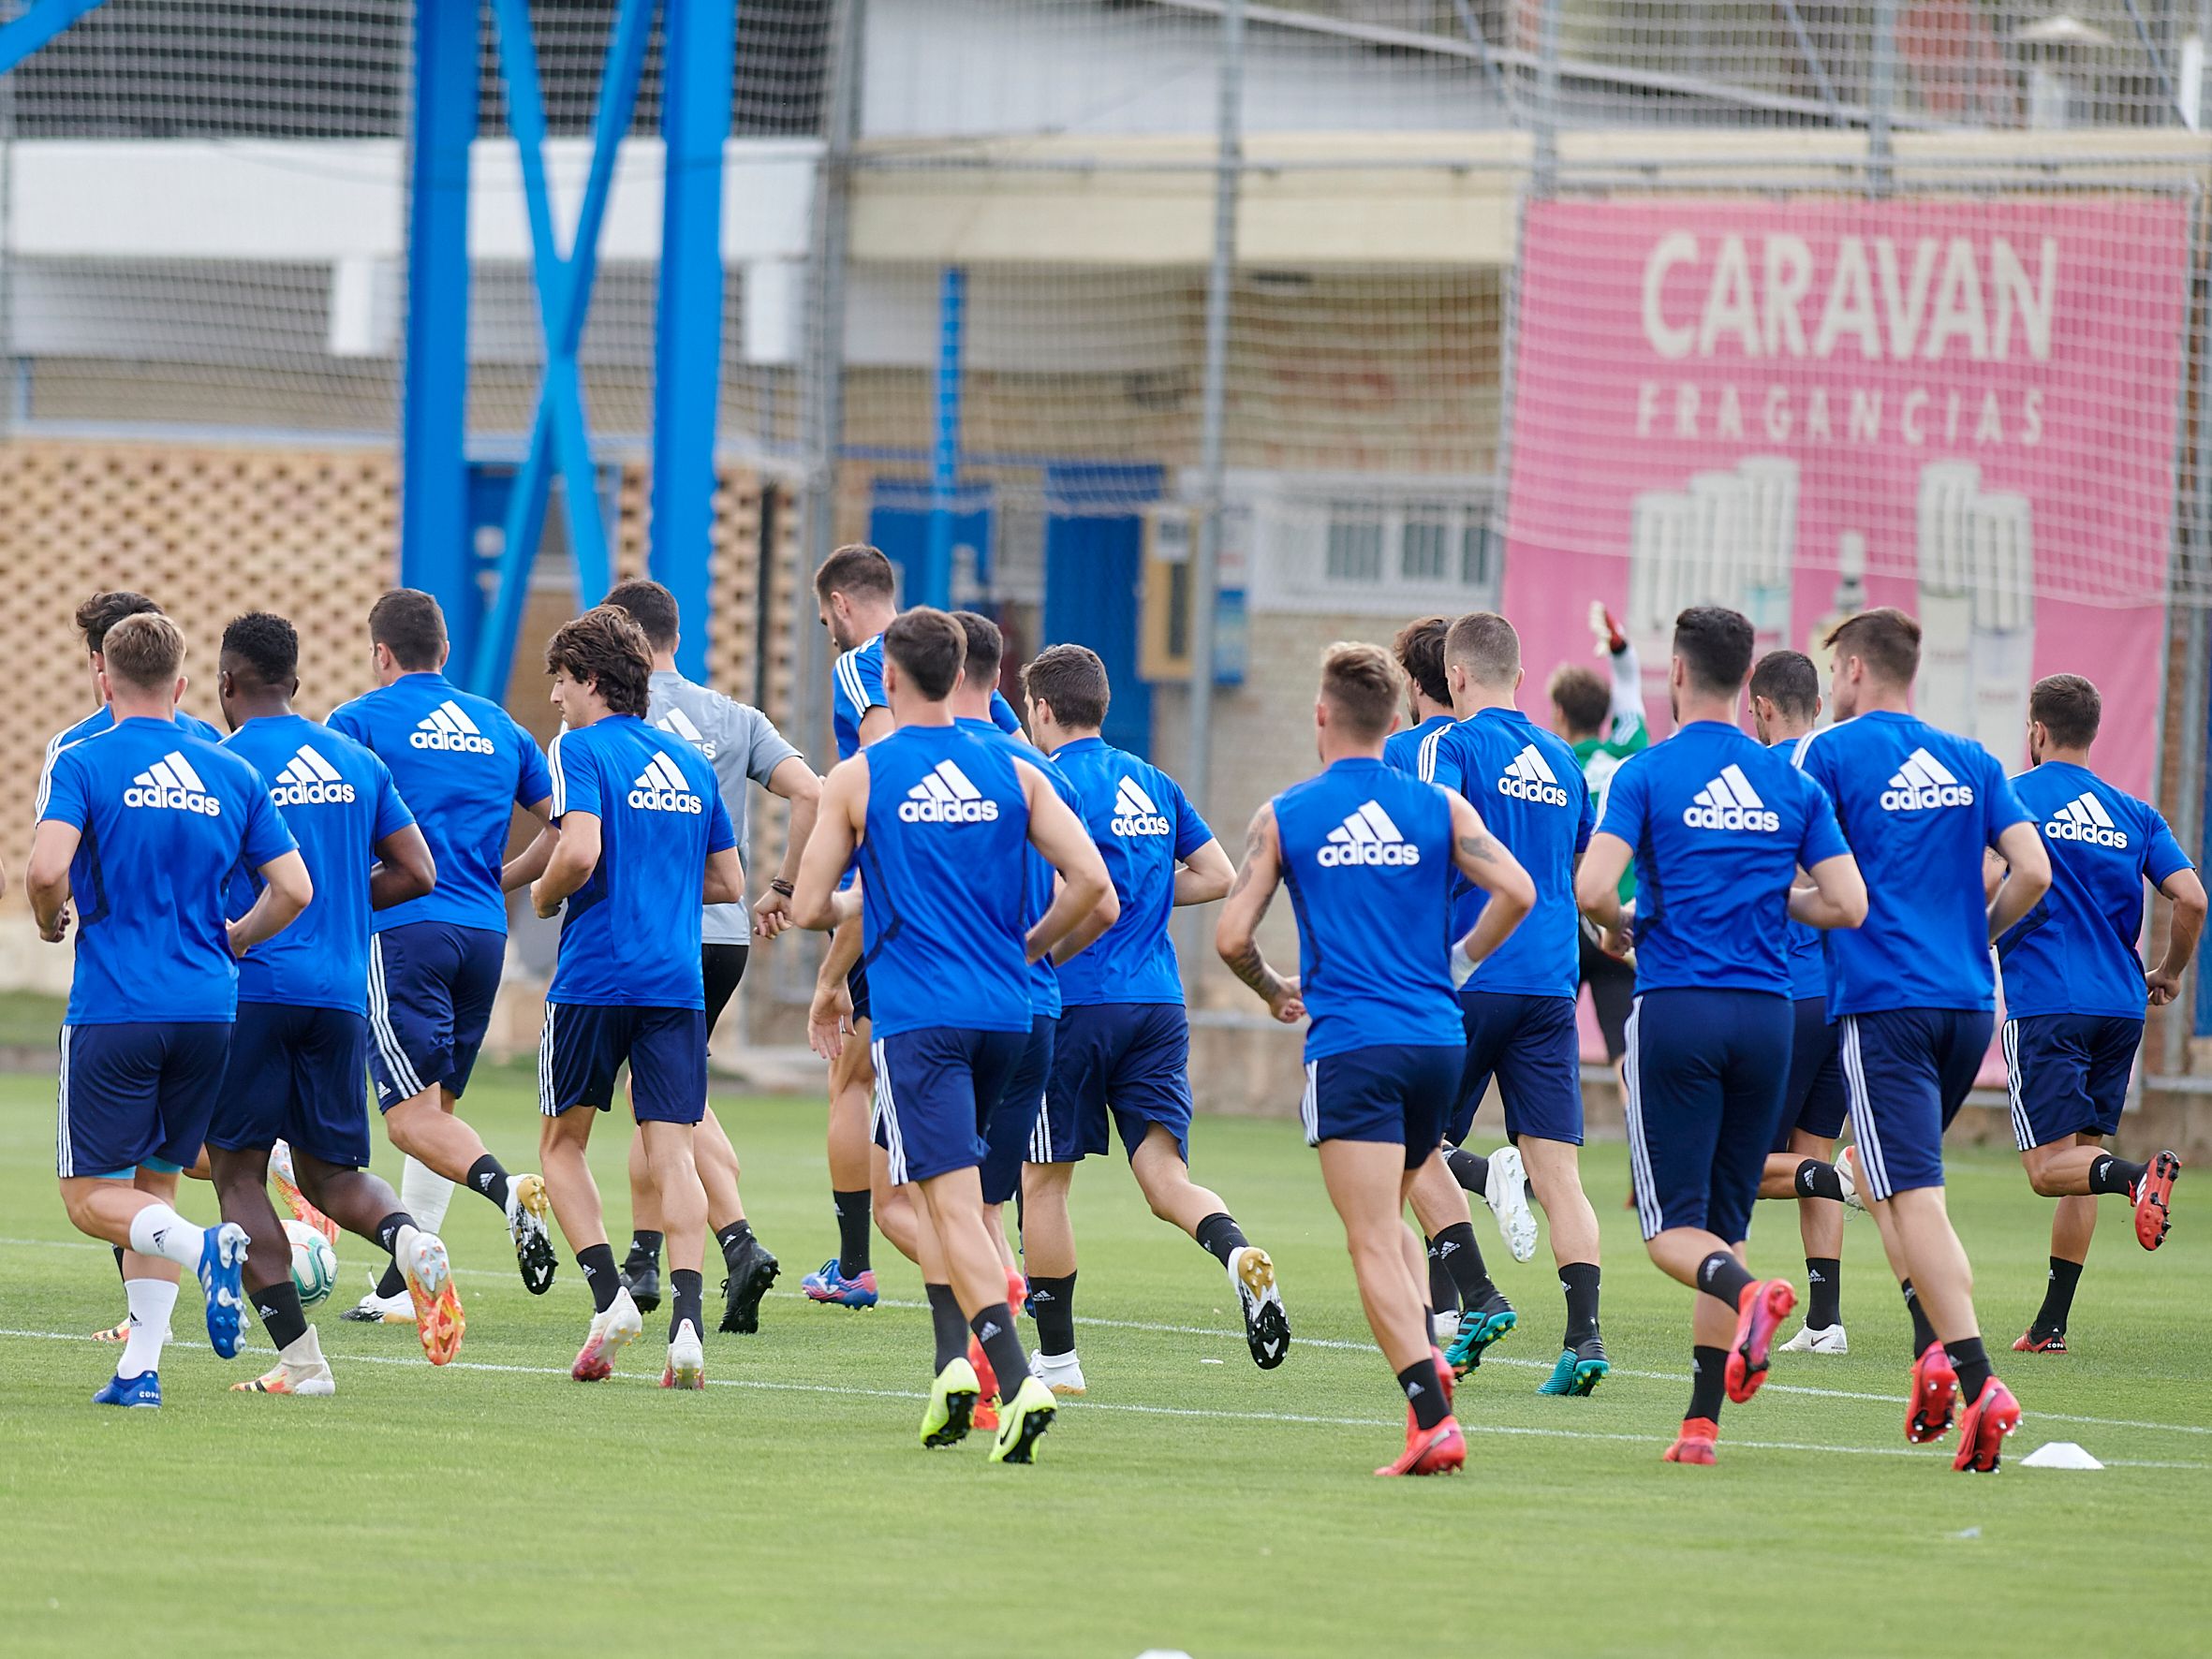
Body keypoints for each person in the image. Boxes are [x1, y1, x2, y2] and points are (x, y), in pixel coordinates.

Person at [790, 607, 1114, 1461]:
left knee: (947, 1203)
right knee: (956, 1200)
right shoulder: (1018, 766)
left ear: (891, 679)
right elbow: (1089, 881)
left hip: (921, 1021)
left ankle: (1016, 1381)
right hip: (1012, 1016)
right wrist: (1030, 947)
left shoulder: (861, 776)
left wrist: (872, 902)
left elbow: (813, 904)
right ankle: (950, 1370)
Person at [1217, 640, 1535, 1475]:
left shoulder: (1286, 813)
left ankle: (1431, 1413)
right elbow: (1522, 892)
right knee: (1392, 1216)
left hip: (1354, 1045)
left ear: (1321, 717)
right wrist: (1458, 964)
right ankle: (1431, 1385)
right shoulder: (1438, 808)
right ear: (1395, 722)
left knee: (1367, 1236)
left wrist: (1274, 988)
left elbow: (1229, 935)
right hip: (1437, 1041)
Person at [1575, 607, 1867, 1464]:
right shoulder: (1792, 784)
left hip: (1679, 1009)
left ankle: (1748, 1300)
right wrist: (1777, 900)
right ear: (1748, 682)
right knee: (1724, 1227)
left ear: (1674, 672)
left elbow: (1593, 887)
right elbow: (1848, 905)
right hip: (1768, 1018)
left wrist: (1625, 921)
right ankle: (1700, 1426)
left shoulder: (1649, 771)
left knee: (1672, 1231)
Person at [26, 612, 313, 1406]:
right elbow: (294, 888)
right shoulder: (228, 769)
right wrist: (237, 939)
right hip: (210, 1009)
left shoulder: (86, 761)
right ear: (183, 684)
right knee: (156, 1185)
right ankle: (139, 1371)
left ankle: (203, 1250)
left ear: (104, 679)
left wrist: (49, 918)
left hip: (118, 1005)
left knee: (90, 1199)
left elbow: (47, 867)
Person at [1795, 606, 2049, 1473]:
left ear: (1857, 669)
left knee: (1915, 1194)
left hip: (1884, 1006)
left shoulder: (1830, 756)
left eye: (1835, 672)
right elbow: (2037, 869)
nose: (1831, 687)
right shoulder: (1973, 758)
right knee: (1890, 1183)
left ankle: (1977, 1379)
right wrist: (1979, 934)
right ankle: (1930, 1355)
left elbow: (1801, 875)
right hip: (1965, 1006)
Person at [205, 611, 459, 1394]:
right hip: (342, 995)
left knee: (237, 1175)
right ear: (298, 683)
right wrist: (342, 900)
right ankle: (409, 1240)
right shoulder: (354, 759)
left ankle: (301, 1362)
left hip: (255, 989)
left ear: (225, 684)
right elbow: (419, 872)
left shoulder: (221, 764)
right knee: (336, 1177)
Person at [1023, 642, 1290, 1372]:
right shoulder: (1154, 782)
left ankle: (1057, 1361)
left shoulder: (1046, 783)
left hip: (1074, 1001)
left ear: (1041, 710)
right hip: (1158, 1004)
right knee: (1163, 1175)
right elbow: (1219, 874)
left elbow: (1051, 890)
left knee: (1042, 1182)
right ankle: (1237, 1254)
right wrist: (1147, 895)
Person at [327, 589, 561, 1321]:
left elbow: (330, 819)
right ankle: (406, 1283)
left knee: (403, 1119)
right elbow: (560, 822)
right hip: (482, 934)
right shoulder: (499, 725)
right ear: (447, 652)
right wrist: (504, 880)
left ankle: (506, 1188)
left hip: (404, 928)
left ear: (380, 654)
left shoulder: (358, 720)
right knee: (437, 1109)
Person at [531, 606, 746, 1389]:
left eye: (560, 680)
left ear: (589, 680)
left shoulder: (579, 749)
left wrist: (546, 897)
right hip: (676, 980)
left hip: (595, 975)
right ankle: (687, 1329)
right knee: (673, 1154)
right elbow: (729, 882)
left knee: (561, 1145)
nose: (555, 697)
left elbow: (578, 850)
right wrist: (664, 886)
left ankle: (608, 1298)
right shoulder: (688, 762)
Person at [600, 578, 821, 1336]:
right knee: (662, 1095)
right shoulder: (734, 716)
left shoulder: (617, 715)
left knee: (668, 1103)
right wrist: (786, 887)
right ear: (678, 636)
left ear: (616, 639)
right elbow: (814, 794)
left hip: (653, 930)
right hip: (725, 932)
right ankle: (644, 1256)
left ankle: (733, 1240)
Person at [804, 545, 1020, 1306]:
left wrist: (831, 930)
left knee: (848, 1079)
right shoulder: (961, 667)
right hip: (992, 933)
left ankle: (860, 1263)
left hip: (900, 911)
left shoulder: (867, 664)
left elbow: (879, 765)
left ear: (840, 604)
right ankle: (989, 1259)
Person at [1426, 612, 1610, 1395]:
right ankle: (1585, 1339)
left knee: (1407, 1149)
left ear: (1455, 677)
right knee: (1558, 1173)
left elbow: (1426, 838)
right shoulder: (1564, 759)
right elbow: (1580, 869)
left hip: (1468, 975)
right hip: (1548, 985)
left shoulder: (1451, 745)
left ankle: (1477, 1297)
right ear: (1522, 679)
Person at [1991, 673, 2196, 1353]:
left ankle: (2138, 1178)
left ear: (2037, 732)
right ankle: (2051, 1325)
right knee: (2081, 1159)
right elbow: (2192, 900)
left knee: (2049, 1170)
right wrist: (2167, 973)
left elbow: (1992, 884)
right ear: (2092, 733)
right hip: (2120, 1007)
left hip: (2048, 1002)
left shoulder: (2012, 800)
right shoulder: (2134, 813)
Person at [942, 610, 1114, 1408]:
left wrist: (836, 977)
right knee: (990, 1197)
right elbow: (1100, 902)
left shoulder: (921, 764)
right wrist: (1038, 954)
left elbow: (863, 895)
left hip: (940, 1013)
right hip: (1037, 1010)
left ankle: (990, 1324)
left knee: (926, 1200)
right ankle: (994, 1356)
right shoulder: (1034, 768)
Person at [1383, 612, 1539, 1348]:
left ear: (1421, 683)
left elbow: (1401, 855)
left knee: (1403, 1146)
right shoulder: (1513, 749)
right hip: (1532, 968)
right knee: (1421, 1141)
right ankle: (1452, 1302)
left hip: (1433, 973)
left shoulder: (1412, 751)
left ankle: (1481, 1189)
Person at [1747, 648, 1855, 1355]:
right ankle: (1825, 1321)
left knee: (1743, 1167)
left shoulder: (1765, 780)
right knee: (1809, 1149)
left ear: (1758, 709)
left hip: (1785, 995)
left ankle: (1845, 1178)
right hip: (1842, 997)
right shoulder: (1838, 779)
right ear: (1816, 707)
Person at [1549, 603, 1646, 1122]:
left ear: (1559, 715)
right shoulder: (1628, 750)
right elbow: (1629, 686)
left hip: (1566, 921)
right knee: (1624, 1048)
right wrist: (1619, 647)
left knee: (1544, 1040)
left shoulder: (1549, 763)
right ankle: (1645, 1145)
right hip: (1615, 920)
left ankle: (1543, 1141)